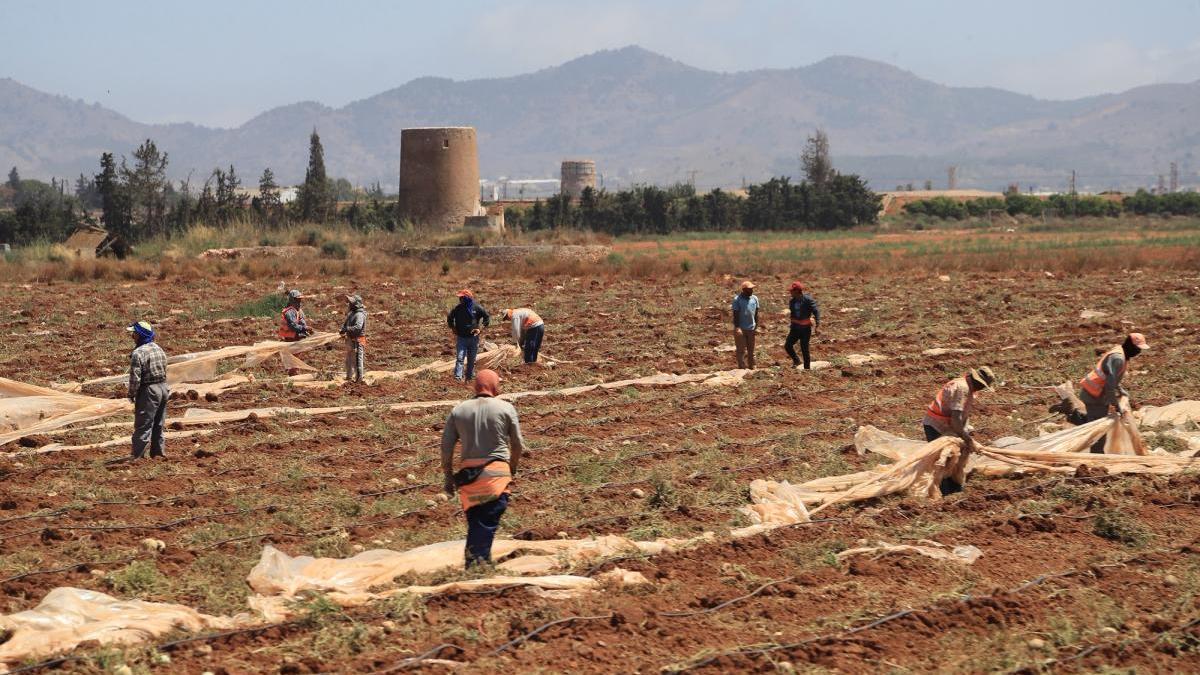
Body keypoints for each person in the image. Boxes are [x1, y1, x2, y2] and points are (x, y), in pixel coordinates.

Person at [440, 369, 525, 567]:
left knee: (477, 523)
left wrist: (448, 477)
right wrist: (512, 468)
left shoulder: (459, 410)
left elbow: (446, 448)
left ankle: (478, 563)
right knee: (485, 524)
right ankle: (476, 568)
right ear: (495, 386)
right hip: (495, 478)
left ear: (476, 386)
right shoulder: (506, 408)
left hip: (469, 482)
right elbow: (518, 443)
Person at [922, 366, 997, 494]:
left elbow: (961, 416)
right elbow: (956, 419)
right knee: (944, 460)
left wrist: (965, 434)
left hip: (947, 426)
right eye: (983, 385)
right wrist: (968, 440)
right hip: (937, 426)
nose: (983, 389)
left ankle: (955, 490)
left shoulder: (967, 387)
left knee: (956, 458)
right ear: (978, 381)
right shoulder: (962, 389)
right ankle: (946, 493)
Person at [1071, 332, 1149, 425]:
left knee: (1095, 422)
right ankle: (1073, 416)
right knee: (1097, 426)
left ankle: (1076, 417)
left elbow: (1111, 377)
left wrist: (1120, 389)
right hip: (1094, 395)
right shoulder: (1118, 358)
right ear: (1130, 346)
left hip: (1094, 393)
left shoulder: (1120, 351)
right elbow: (1109, 386)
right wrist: (1116, 405)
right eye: (1137, 349)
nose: (1138, 352)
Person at [127, 321, 169, 459]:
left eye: (134, 333)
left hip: (149, 390)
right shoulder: (159, 349)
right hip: (163, 388)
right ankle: (158, 454)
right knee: (158, 423)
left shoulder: (138, 353)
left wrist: (132, 394)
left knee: (143, 424)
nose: (132, 336)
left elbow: (135, 378)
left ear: (139, 335)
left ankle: (138, 457)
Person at [447, 289, 490, 381]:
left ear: (467, 298)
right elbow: (450, 318)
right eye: (460, 298)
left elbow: (486, 317)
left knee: (471, 360)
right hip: (461, 337)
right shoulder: (458, 308)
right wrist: (453, 328)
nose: (460, 299)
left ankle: (469, 378)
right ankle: (458, 378)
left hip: (473, 338)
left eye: (462, 297)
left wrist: (480, 328)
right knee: (460, 358)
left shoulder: (477, 307)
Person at [784, 281, 821, 369]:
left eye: (792, 291)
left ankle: (807, 369)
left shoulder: (808, 300)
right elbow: (793, 314)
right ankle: (797, 360)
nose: (790, 292)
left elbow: (816, 311)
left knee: (804, 349)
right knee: (788, 345)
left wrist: (818, 325)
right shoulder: (792, 302)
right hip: (795, 329)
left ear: (797, 291)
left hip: (805, 329)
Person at [731, 280, 760, 370]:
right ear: (744, 290)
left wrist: (756, 326)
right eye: (749, 289)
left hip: (751, 328)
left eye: (752, 289)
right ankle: (742, 367)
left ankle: (752, 366)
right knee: (741, 350)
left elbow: (756, 313)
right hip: (741, 329)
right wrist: (737, 328)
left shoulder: (754, 299)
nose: (752, 291)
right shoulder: (737, 300)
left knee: (751, 350)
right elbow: (735, 315)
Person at [339, 294, 367, 383]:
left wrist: (346, 329)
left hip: (358, 340)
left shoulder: (359, 315)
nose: (349, 305)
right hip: (350, 340)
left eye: (351, 303)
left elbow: (358, 327)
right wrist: (343, 329)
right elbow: (345, 324)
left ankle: (359, 379)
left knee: (357, 361)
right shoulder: (351, 314)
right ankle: (349, 377)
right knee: (349, 360)